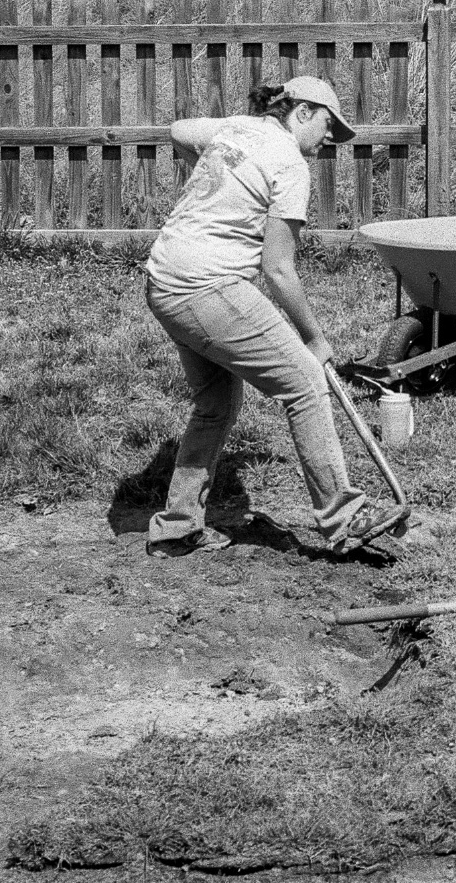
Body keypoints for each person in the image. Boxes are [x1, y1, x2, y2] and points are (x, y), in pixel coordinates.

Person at [141, 75, 409, 558]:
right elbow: (278, 268)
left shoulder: (239, 129)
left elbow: (179, 130)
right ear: (302, 111)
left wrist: (216, 183)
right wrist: (315, 337)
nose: (330, 140)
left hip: (164, 281)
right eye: (328, 125)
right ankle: (344, 516)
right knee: (306, 384)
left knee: (216, 404)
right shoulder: (288, 160)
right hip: (207, 287)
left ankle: (177, 528)